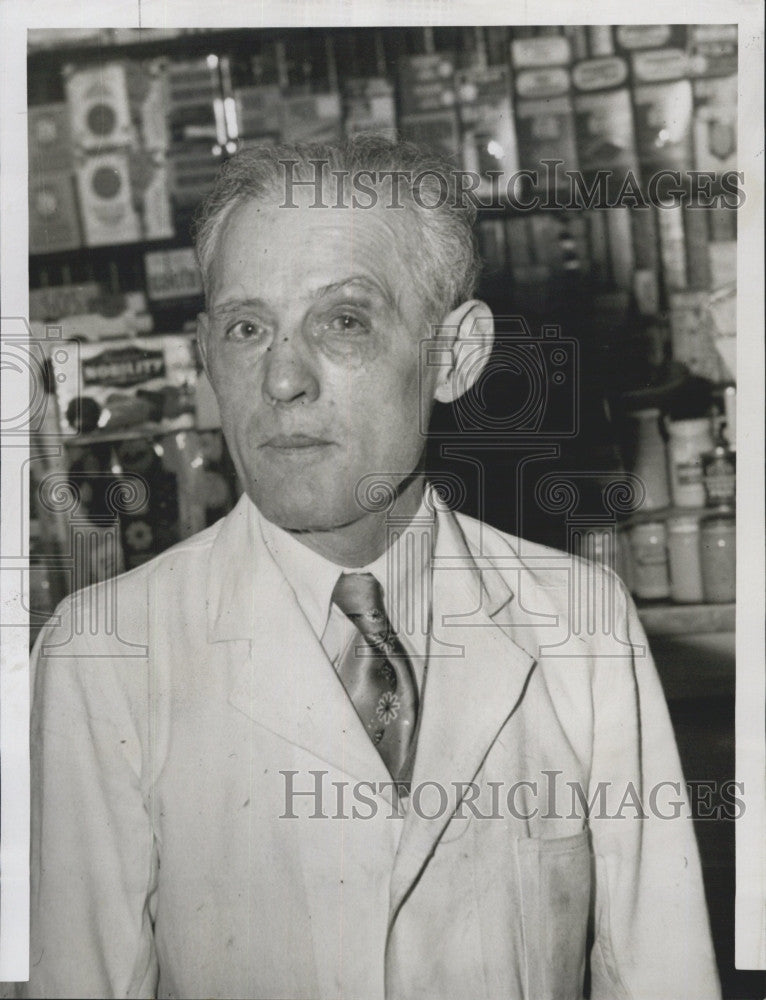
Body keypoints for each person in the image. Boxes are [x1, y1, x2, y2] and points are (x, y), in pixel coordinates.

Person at [22, 136, 721, 999]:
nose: (281, 380)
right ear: (207, 355)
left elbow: (663, 974)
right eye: (246, 328)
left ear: (454, 355)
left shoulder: (581, 623)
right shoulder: (106, 656)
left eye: (343, 321)